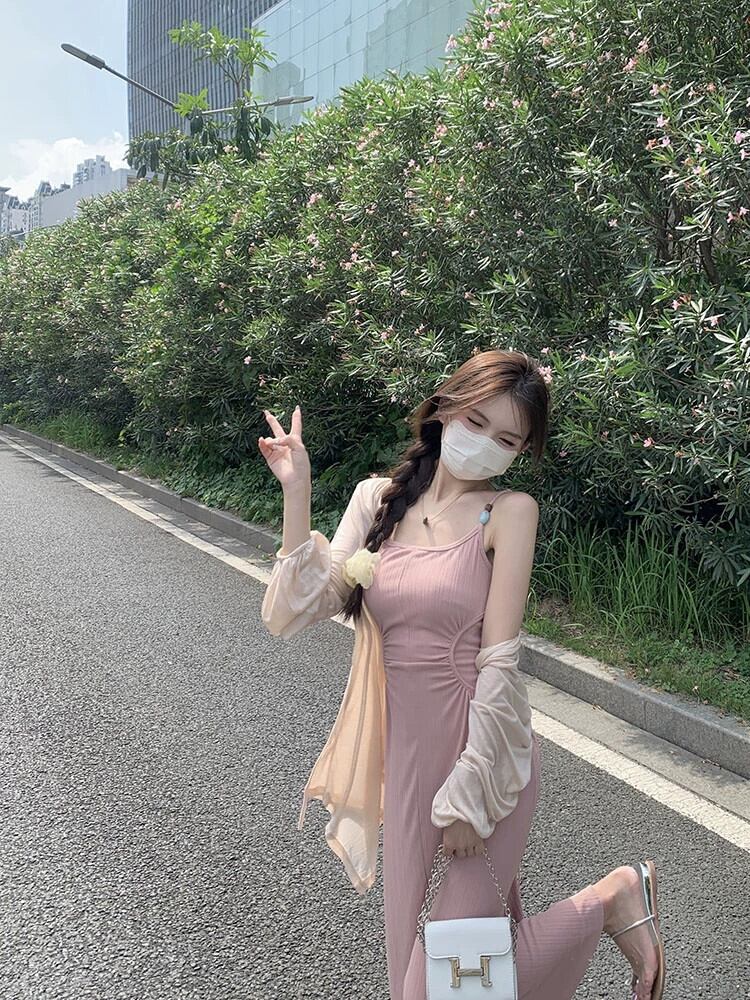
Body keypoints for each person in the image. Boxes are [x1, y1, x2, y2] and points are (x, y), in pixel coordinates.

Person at [258, 349, 666, 1000]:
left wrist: (470, 795)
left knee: (438, 985)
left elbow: (500, 661)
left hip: (487, 761)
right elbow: (296, 608)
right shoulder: (376, 501)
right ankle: (610, 904)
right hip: (408, 763)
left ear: (521, 451)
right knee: (422, 974)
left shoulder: (509, 512)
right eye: (476, 423)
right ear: (445, 408)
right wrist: (297, 491)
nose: (485, 444)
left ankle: (610, 899)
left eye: (507, 439)